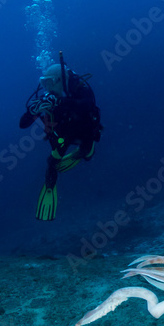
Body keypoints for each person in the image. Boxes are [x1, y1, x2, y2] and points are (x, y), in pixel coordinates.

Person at [19, 53, 103, 220]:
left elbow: (88, 105)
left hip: (84, 130)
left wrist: (61, 103)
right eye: (43, 83)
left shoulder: (79, 87)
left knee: (86, 153)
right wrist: (32, 112)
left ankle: (84, 151)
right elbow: (23, 124)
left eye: (49, 82)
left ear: (59, 80)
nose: (46, 88)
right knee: (52, 162)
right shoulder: (48, 98)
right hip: (62, 135)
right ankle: (50, 186)